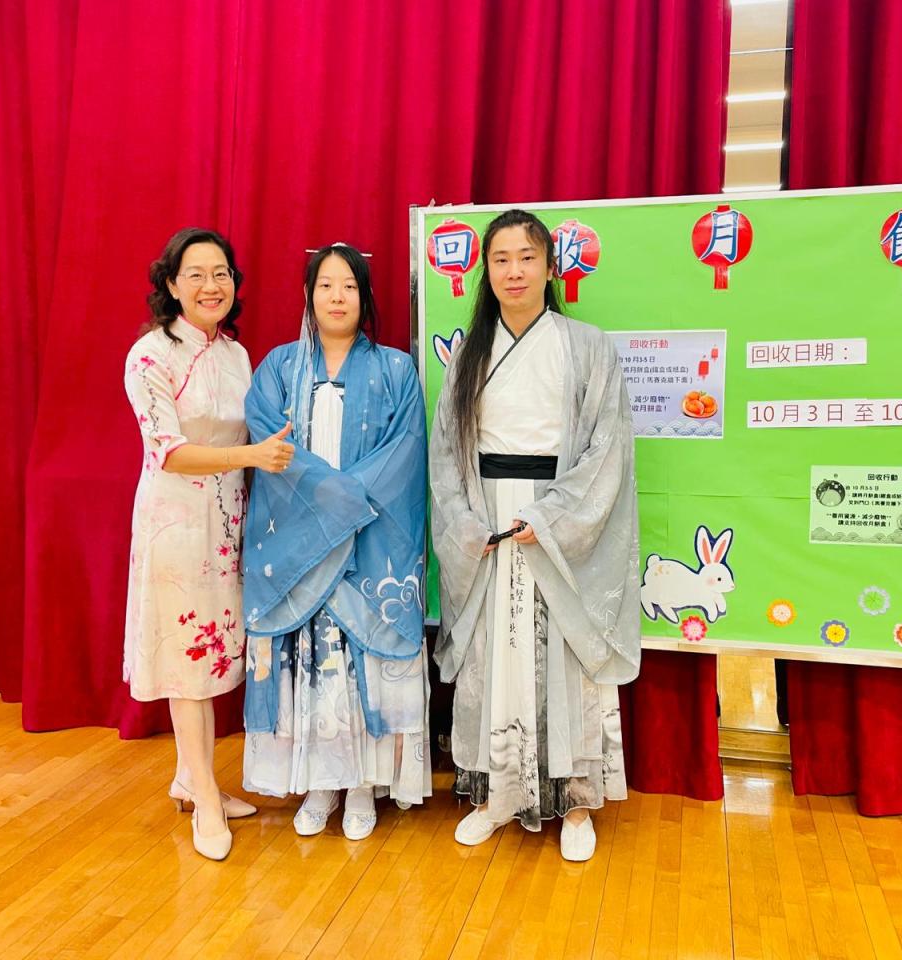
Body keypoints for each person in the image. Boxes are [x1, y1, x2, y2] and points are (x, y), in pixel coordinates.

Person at [429, 209, 640, 862]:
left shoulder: (588, 346)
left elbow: (607, 448)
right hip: (489, 522)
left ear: (551, 267)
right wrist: (468, 523)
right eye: (501, 259)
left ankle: (576, 803)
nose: (514, 271)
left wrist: (551, 519)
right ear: (485, 272)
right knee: (495, 657)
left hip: (558, 519)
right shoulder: (470, 355)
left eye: (527, 257)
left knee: (567, 660)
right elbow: (446, 452)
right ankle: (497, 795)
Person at [242, 242, 430, 840]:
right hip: (298, 541)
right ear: (309, 295)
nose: (337, 297)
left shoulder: (396, 370)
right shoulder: (278, 368)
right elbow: (268, 443)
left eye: (349, 285)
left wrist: (341, 505)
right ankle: (319, 784)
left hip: (369, 541)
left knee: (360, 663)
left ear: (365, 296)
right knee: (312, 664)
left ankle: (363, 785)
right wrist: (328, 502)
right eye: (325, 285)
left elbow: (405, 453)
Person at [123, 227, 294, 861]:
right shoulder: (149, 356)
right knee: (188, 663)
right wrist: (250, 456)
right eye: (195, 274)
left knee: (215, 657)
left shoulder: (236, 355)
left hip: (227, 523)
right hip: (174, 523)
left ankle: (187, 777)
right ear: (171, 285)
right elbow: (167, 451)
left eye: (220, 273)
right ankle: (205, 799)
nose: (210, 285)